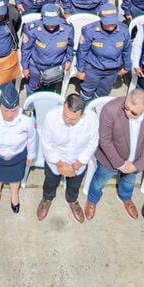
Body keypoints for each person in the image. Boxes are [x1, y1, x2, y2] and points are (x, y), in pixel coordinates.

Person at [86, 88, 144, 221]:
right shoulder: (110, 110)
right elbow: (105, 140)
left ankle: (125, 198)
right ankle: (92, 199)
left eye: (133, 112)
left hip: (136, 160)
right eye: (126, 107)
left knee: (129, 182)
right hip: (109, 160)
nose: (127, 113)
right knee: (99, 181)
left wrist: (137, 165)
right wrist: (119, 164)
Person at [37, 93, 98, 223]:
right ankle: (47, 198)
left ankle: (72, 200)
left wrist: (77, 165)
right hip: (55, 160)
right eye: (65, 115)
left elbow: (92, 143)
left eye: (72, 119)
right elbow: (46, 144)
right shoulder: (51, 117)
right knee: (50, 181)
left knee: (75, 185)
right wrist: (60, 164)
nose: (67, 120)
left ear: (82, 114)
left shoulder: (92, 119)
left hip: (78, 162)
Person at [0, 83, 37, 213]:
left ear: (18, 107)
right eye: (6, 110)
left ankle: (14, 195)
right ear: (0, 106)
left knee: (15, 178)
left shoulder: (27, 118)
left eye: (14, 110)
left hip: (18, 156)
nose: (10, 115)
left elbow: (32, 137)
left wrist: (31, 155)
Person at [76, 3, 131, 101]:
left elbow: (126, 50)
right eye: (107, 22)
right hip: (93, 69)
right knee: (87, 92)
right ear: (100, 18)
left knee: (103, 94)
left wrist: (127, 67)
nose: (110, 25)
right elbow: (82, 51)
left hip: (112, 71)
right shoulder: (89, 30)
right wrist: (80, 70)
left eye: (113, 22)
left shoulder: (124, 30)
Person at [21, 4, 74, 93]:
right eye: (48, 23)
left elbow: (70, 46)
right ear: (42, 18)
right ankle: (30, 107)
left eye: (54, 22)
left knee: (50, 90)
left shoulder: (68, 28)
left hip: (55, 68)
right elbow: (26, 49)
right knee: (33, 89)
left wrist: (69, 60)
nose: (51, 26)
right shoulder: (32, 29)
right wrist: (25, 67)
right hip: (36, 67)